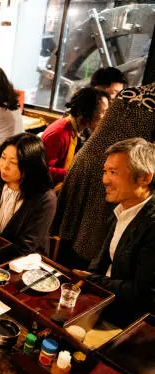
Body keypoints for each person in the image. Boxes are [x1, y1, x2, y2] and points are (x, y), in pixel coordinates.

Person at [54, 83, 155, 269]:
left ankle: (62, 271)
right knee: (92, 235)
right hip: (118, 169)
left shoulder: (131, 91)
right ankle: (78, 276)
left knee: (70, 229)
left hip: (87, 160)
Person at [73, 138, 155, 325]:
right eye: (105, 171)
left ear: (145, 178)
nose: (105, 180)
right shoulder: (121, 207)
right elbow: (102, 259)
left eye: (113, 172)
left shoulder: (151, 225)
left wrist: (92, 280)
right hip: (101, 300)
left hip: (128, 321)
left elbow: (140, 294)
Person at [42, 87, 109, 185]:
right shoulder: (59, 134)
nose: (105, 117)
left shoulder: (81, 129)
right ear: (86, 112)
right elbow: (42, 171)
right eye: (102, 112)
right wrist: (75, 174)